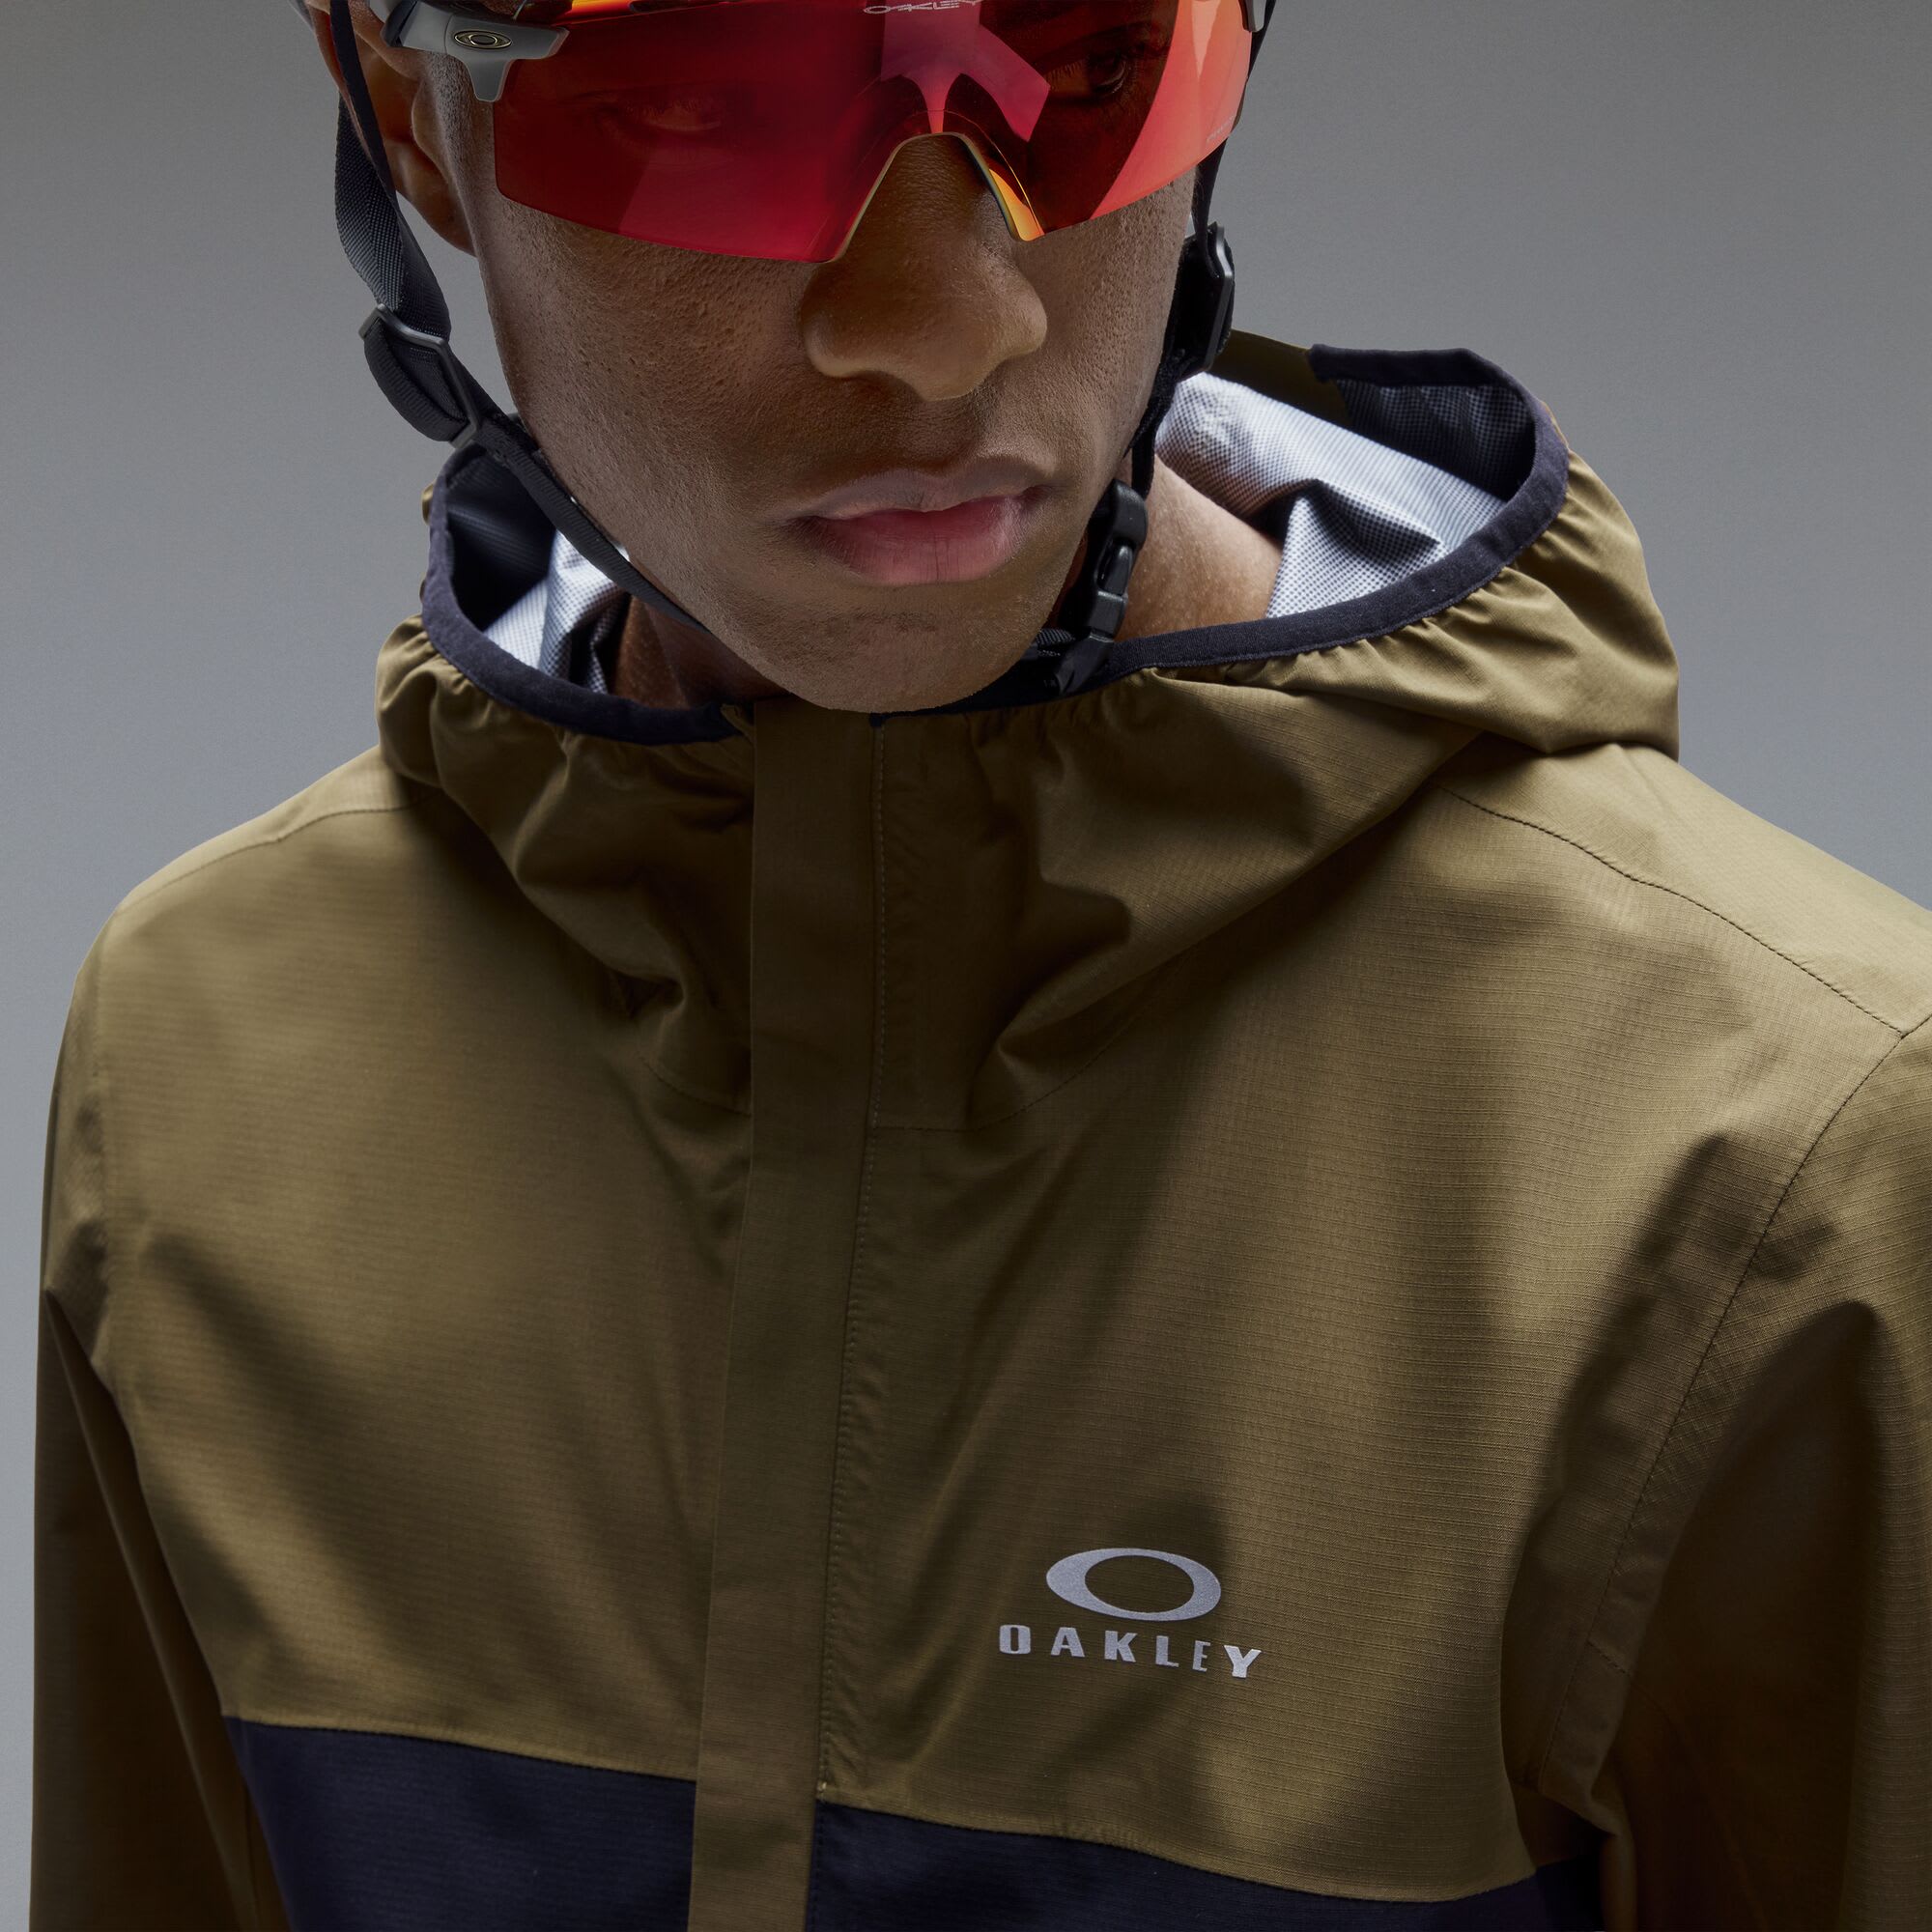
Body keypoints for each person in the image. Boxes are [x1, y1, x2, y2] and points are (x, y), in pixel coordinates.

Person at [30, 2, 1931, 1928]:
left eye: (1090, 64)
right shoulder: (202, 1068)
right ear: (403, 110)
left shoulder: (1783, 1169)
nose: (943, 325)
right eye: (703, 104)